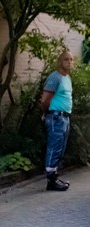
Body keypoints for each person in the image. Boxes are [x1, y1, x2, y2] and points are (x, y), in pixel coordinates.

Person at [41, 50, 73, 192]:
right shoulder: (55, 77)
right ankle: (51, 181)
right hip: (56, 117)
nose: (69, 62)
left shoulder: (67, 78)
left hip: (65, 117)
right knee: (54, 148)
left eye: (71, 60)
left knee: (60, 148)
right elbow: (45, 100)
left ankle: (54, 177)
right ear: (60, 61)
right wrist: (46, 113)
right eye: (66, 59)